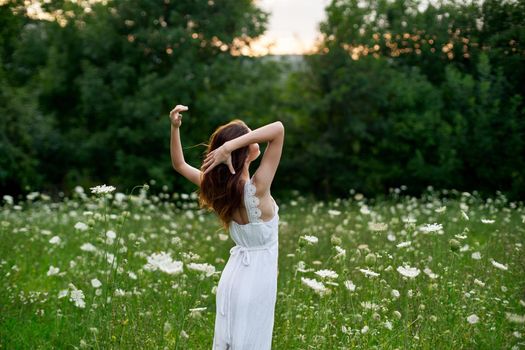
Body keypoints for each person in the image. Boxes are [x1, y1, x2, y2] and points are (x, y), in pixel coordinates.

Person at [169, 104, 285, 349]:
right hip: (257, 284)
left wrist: (175, 127)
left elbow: (179, 164)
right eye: (247, 136)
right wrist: (229, 146)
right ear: (245, 151)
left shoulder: (219, 190)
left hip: (232, 280)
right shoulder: (258, 188)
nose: (254, 135)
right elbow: (278, 129)